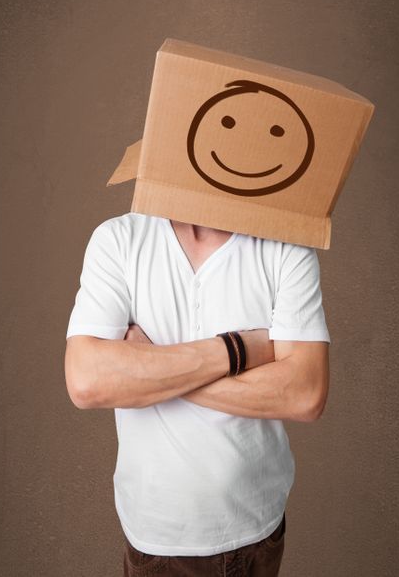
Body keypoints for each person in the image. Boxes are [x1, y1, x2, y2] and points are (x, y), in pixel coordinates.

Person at [65, 212, 330, 576]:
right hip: (156, 537)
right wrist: (239, 350)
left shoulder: (287, 245)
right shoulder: (119, 239)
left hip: (256, 529)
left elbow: (306, 393)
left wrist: (152, 367)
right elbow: (86, 381)